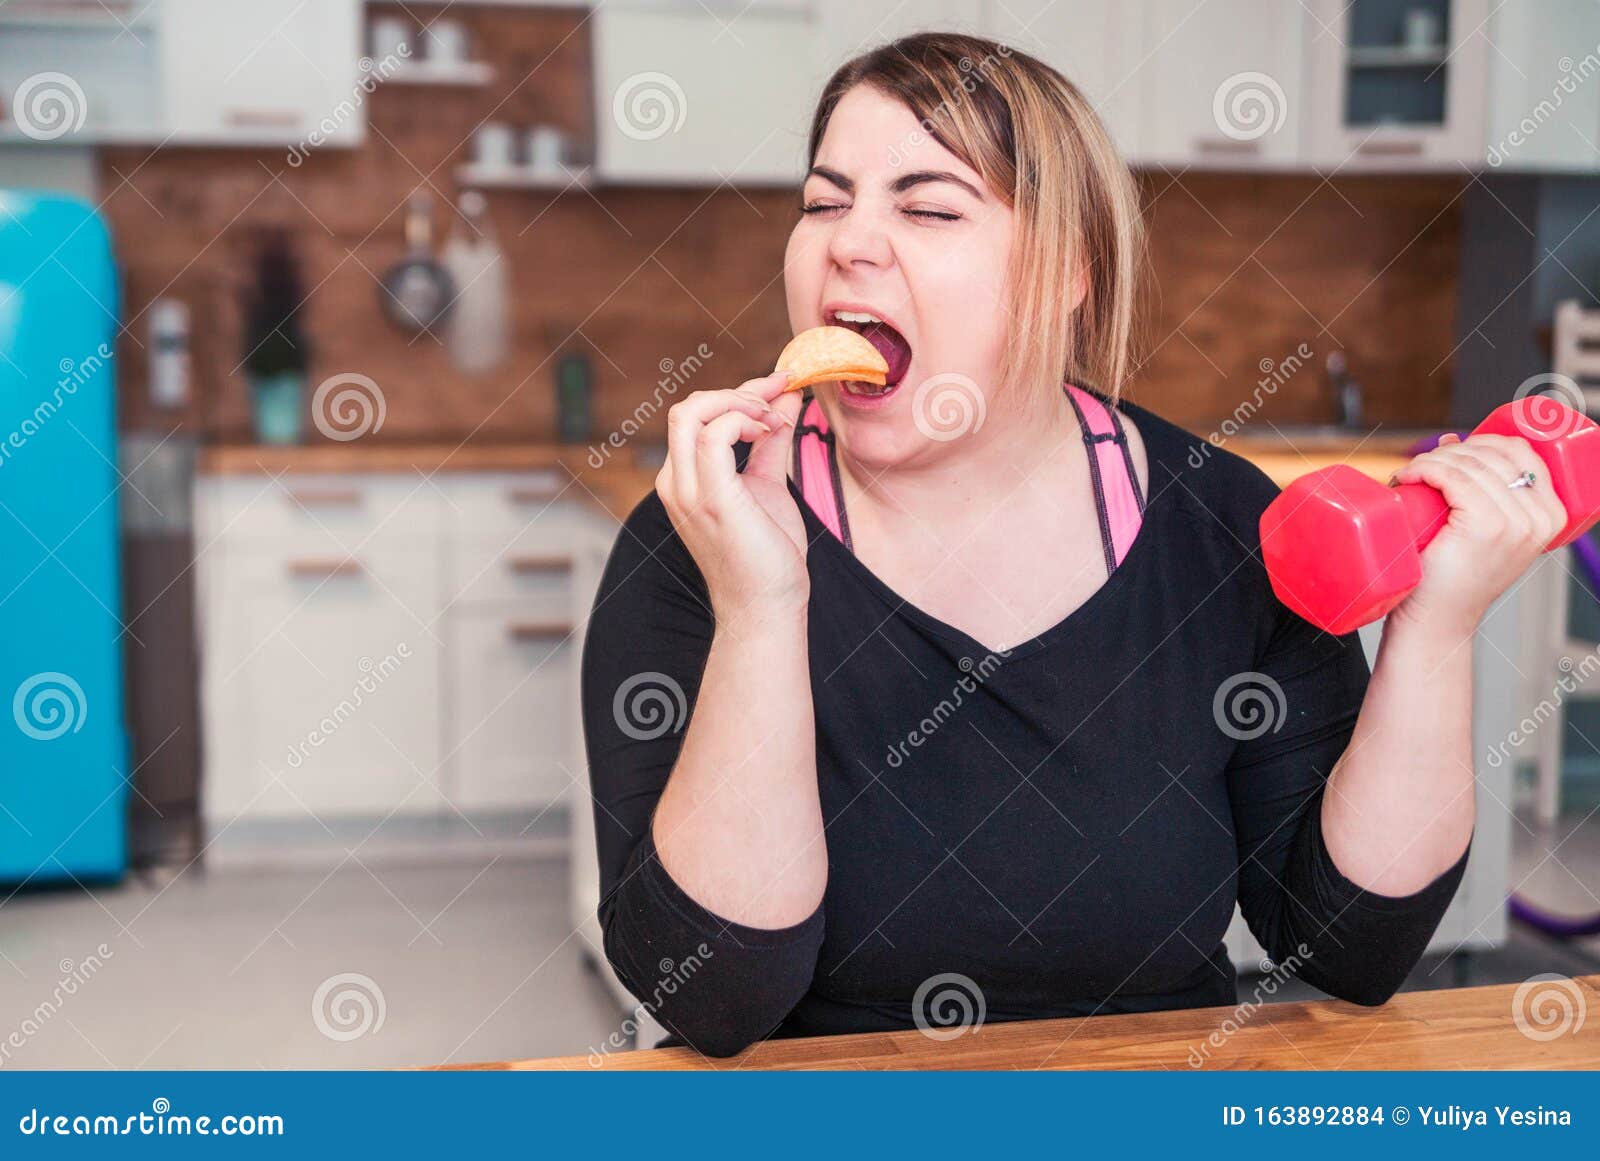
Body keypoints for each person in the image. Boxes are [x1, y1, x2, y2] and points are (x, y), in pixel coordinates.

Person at [580, 32, 1567, 1059]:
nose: (848, 244)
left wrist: (1437, 631)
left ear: (1068, 274)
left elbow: (1346, 949)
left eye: (926, 207)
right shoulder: (703, 536)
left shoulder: (1222, 526)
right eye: (825, 202)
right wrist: (761, 612)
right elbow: (713, 1004)